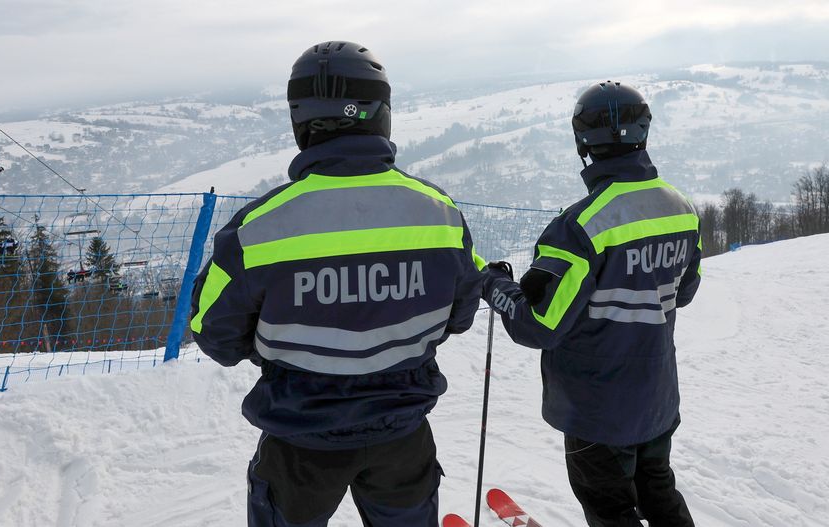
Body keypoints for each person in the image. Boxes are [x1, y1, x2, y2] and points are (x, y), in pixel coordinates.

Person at [190, 41, 484, 527]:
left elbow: (214, 333)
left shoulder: (259, 227)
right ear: (381, 113)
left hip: (299, 441)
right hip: (402, 436)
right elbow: (461, 314)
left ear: (300, 120)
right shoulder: (440, 213)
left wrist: (282, 349)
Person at [482, 81, 701, 527]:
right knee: (658, 491)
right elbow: (684, 291)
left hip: (597, 409)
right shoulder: (681, 209)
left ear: (583, 141)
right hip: (656, 397)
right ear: (644, 132)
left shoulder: (579, 227)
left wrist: (494, 286)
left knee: (610, 509)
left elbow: (539, 324)